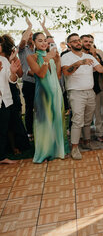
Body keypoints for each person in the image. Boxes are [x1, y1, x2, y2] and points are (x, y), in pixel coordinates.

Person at [61, 33, 103, 159]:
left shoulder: (88, 56)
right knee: (77, 120)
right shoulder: (66, 56)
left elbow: (100, 69)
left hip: (90, 92)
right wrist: (79, 63)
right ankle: (75, 148)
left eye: (78, 40)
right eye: (74, 41)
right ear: (69, 44)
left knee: (88, 119)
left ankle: (86, 141)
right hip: (75, 92)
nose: (77, 43)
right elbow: (65, 72)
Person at [26, 32, 68, 163]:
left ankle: (58, 151)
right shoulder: (31, 57)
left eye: (45, 40)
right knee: (44, 122)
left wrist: (58, 59)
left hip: (56, 93)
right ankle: (43, 153)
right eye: (40, 40)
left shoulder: (53, 55)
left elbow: (58, 76)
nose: (44, 43)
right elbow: (41, 74)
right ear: (34, 43)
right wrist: (46, 59)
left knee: (57, 120)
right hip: (43, 94)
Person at [0, 35, 30, 155]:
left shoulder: (7, 58)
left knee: (9, 123)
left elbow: (16, 77)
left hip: (8, 94)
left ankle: (10, 150)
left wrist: (12, 67)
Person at [0, 47, 20, 164]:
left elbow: (12, 80)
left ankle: (2, 157)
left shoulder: (4, 60)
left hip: (5, 101)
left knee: (3, 130)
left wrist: (13, 72)